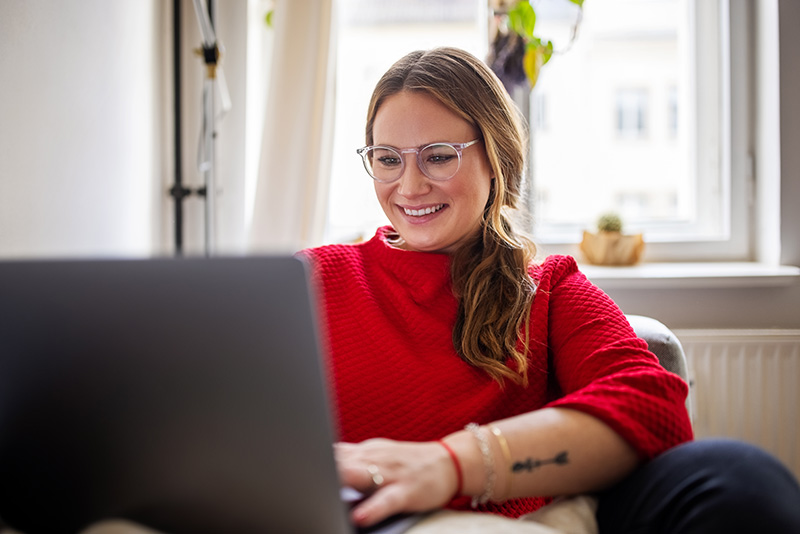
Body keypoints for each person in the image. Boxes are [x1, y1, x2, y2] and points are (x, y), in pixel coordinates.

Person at [302, 47, 800, 533]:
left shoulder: (547, 290)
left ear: (496, 160)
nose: (409, 187)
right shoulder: (311, 281)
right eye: (388, 159)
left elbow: (655, 407)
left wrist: (450, 465)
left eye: (438, 157)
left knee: (739, 474)